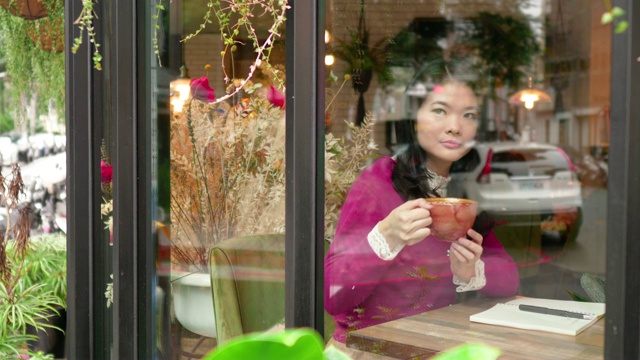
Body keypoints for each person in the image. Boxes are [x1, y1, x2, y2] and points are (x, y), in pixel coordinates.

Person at [324, 60, 519, 355]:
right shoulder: (379, 181)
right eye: (440, 110)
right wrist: (385, 238)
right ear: (414, 116)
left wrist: (471, 270)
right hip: (368, 352)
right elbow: (332, 297)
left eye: (469, 115)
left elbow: (509, 278)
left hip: (435, 349)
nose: (455, 127)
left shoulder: (463, 193)